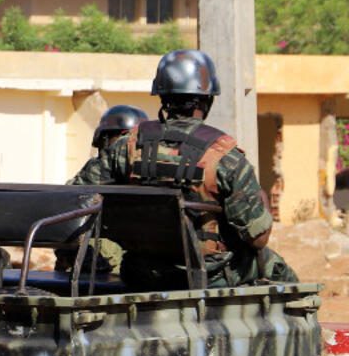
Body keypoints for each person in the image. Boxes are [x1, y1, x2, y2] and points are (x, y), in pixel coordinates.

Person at [73, 49, 297, 288]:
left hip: (141, 272)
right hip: (208, 276)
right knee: (278, 270)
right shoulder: (226, 159)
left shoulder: (125, 147)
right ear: (207, 99)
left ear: (161, 96)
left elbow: (77, 196)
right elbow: (258, 238)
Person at [56, 105, 148, 274]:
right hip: (93, 259)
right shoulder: (96, 171)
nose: (127, 145)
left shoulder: (148, 173)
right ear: (106, 140)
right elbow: (63, 211)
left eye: (132, 139)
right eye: (122, 138)